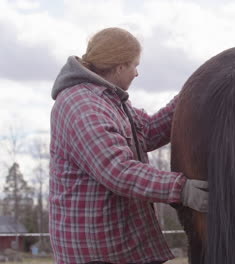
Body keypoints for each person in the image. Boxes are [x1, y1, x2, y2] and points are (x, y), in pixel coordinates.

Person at [49, 27, 208, 264]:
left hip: (115, 246)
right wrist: (182, 189)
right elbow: (117, 170)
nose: (136, 73)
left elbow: (150, 130)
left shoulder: (108, 101)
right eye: (134, 65)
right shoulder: (81, 105)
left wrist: (192, 94)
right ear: (119, 66)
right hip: (96, 252)